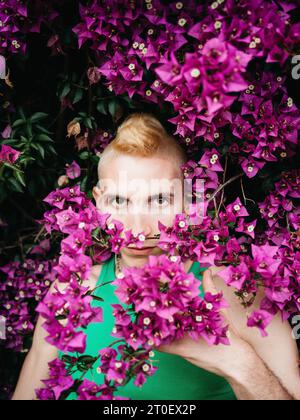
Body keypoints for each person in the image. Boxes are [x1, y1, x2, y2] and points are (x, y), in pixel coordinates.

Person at [12, 113, 299, 400]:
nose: (138, 228)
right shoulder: (70, 291)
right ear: (99, 201)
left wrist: (237, 362)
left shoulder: (240, 295)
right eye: (119, 201)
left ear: (188, 202)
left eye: (160, 200)